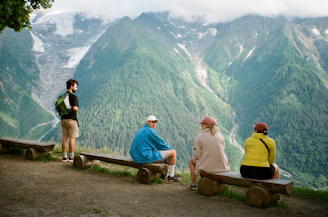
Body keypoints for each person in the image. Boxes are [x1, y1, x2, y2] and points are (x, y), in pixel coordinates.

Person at [130, 115, 182, 182]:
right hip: (145, 157)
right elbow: (160, 143)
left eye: (155, 122)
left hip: (136, 156)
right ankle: (171, 176)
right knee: (173, 152)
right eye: (152, 122)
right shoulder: (151, 131)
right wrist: (170, 148)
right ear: (148, 122)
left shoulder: (140, 130)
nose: (154, 124)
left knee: (158, 152)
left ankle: (163, 174)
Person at [189, 116, 231, 190]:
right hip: (223, 166)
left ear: (205, 124)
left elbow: (197, 155)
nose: (201, 126)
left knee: (192, 161)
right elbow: (222, 149)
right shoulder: (219, 135)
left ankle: (193, 184)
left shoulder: (200, 137)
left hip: (209, 167)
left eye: (202, 124)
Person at [61, 79, 79, 163]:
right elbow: (75, 108)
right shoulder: (73, 97)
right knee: (72, 138)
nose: (76, 88)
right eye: (76, 87)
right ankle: (71, 157)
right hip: (71, 120)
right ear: (71, 86)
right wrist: (77, 109)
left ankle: (64, 157)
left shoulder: (62, 96)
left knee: (65, 137)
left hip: (63, 119)